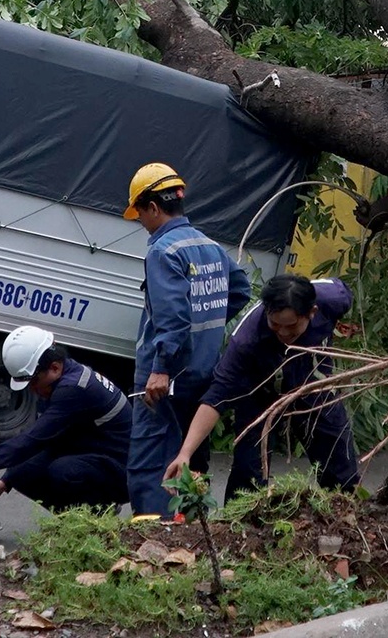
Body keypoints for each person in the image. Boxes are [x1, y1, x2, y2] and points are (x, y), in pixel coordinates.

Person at [123, 162, 250, 517]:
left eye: (140, 214)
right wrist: (207, 326)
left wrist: (161, 368)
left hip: (164, 380)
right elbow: (240, 290)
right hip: (202, 374)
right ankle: (192, 533)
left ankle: (153, 540)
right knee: (191, 458)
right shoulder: (208, 246)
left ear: (153, 207)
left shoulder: (163, 251)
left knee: (150, 464)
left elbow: (174, 319)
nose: (140, 222)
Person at [163, 273, 360, 501]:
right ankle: (240, 525)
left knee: (339, 457)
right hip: (258, 393)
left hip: (313, 384)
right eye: (275, 326)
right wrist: (185, 453)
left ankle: (347, 515)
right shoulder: (246, 340)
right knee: (249, 471)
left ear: (312, 313)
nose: (284, 334)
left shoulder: (333, 299)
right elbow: (216, 398)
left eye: (292, 326)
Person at [0, 325, 130, 512]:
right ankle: (74, 520)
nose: (32, 389)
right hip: (95, 452)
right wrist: (3, 484)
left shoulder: (73, 390)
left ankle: (96, 517)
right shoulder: (60, 379)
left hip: (124, 469)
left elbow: (32, 439)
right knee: (20, 471)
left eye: (34, 381)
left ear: (54, 367)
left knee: (64, 471)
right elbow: (44, 441)